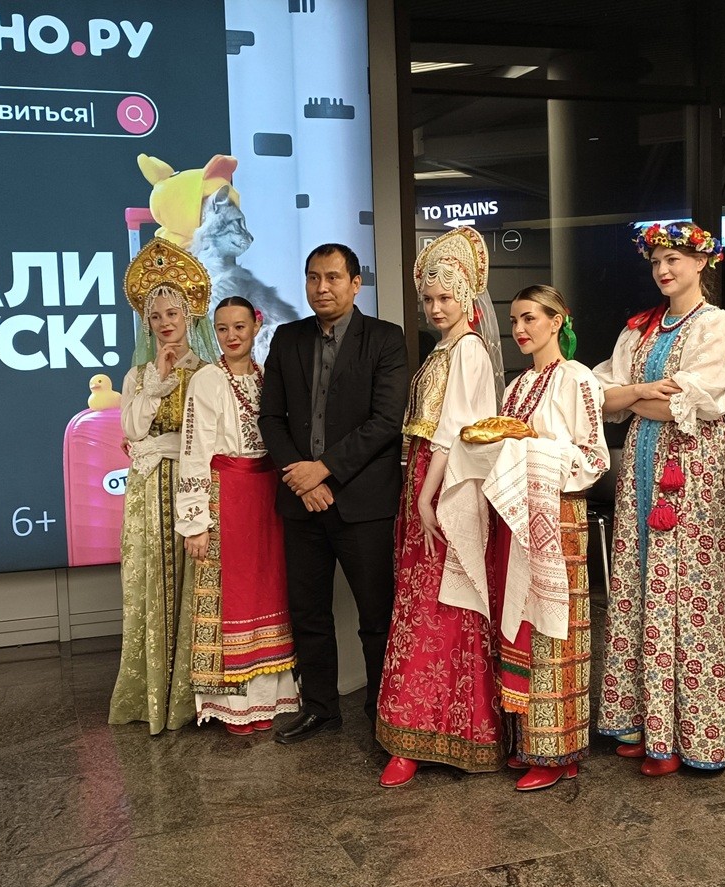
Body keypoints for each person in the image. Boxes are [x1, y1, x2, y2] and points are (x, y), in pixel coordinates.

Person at [594, 221, 725, 775]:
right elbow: (600, 395)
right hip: (641, 467)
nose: (663, 270)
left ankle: (693, 730)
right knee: (641, 582)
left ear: (701, 263)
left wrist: (634, 397)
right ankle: (646, 722)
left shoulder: (716, 325)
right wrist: (642, 392)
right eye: (656, 262)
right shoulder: (640, 329)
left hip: (694, 470)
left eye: (673, 259)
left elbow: (699, 402)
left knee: (691, 588)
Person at [259, 243, 408, 744]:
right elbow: (271, 418)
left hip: (363, 503)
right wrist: (300, 478)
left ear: (355, 283)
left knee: (376, 615)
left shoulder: (385, 339)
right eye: (313, 277)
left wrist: (324, 471)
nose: (321, 288)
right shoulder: (288, 338)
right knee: (309, 613)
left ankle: (382, 714)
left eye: (333, 278)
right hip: (301, 503)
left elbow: (385, 421)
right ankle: (321, 709)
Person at [374, 226, 504, 787]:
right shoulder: (444, 350)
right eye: (428, 298)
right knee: (424, 600)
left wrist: (427, 496)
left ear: (467, 297)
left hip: (446, 485)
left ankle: (447, 730)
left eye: (446, 297)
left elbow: (455, 432)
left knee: (441, 603)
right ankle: (428, 727)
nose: (435, 308)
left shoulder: (468, 350)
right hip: (425, 478)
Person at [487, 285, 608, 790]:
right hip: (518, 516)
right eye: (514, 320)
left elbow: (595, 457)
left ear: (557, 321)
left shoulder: (577, 378)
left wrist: (539, 449)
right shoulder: (516, 388)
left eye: (530, 318)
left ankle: (559, 751)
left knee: (556, 630)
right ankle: (528, 742)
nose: (519, 329)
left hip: (559, 514)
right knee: (521, 621)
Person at [109, 237, 220, 732]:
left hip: (193, 484)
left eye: (173, 312)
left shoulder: (207, 373)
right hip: (146, 489)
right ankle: (152, 695)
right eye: (155, 316)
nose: (165, 322)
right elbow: (133, 429)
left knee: (194, 584)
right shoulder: (137, 376)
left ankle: (196, 699)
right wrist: (157, 377)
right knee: (149, 583)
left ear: (190, 315)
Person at [176, 296, 301, 734]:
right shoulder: (208, 379)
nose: (231, 336)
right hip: (226, 494)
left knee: (270, 590)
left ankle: (269, 700)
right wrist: (195, 522)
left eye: (240, 327)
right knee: (233, 594)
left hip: (267, 495)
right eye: (223, 328)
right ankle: (234, 704)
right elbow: (194, 451)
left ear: (256, 325)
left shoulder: (267, 376)